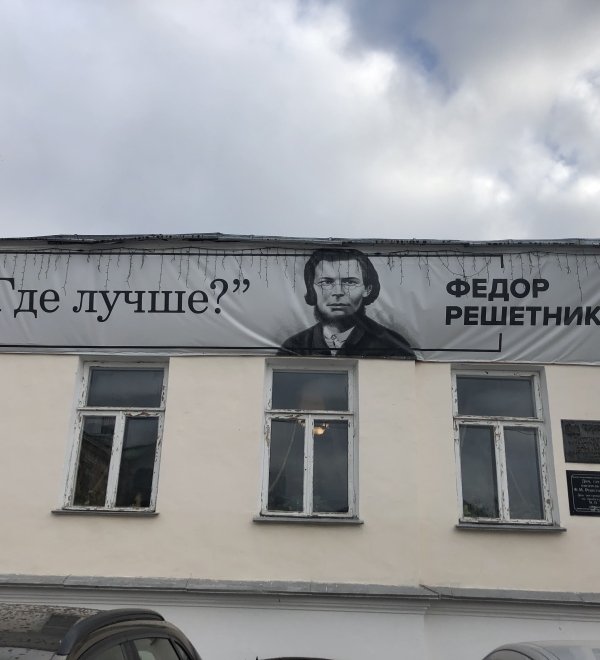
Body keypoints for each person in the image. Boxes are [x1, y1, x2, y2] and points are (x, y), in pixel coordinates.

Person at [278, 248, 414, 358]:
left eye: (350, 282)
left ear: (367, 289)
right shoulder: (294, 347)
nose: (338, 292)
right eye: (326, 282)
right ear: (312, 288)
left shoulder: (392, 346)